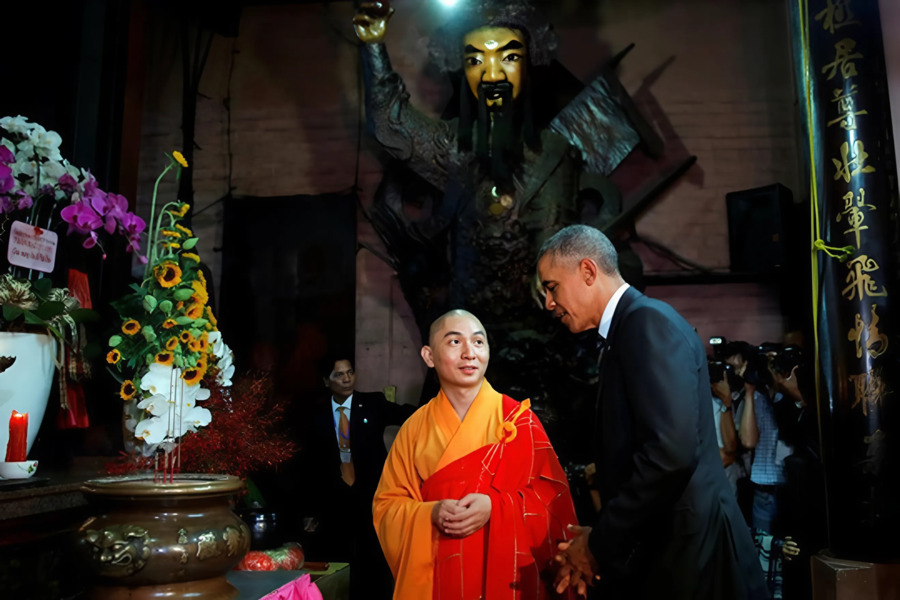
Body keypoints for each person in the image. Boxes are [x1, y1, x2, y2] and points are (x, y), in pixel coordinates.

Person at [353, 0, 631, 442]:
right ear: (460, 70)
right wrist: (372, 43)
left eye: (508, 56)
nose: (493, 72)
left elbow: (562, 246)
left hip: (545, 358)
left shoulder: (557, 155)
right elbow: (392, 125)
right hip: (472, 356)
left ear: (530, 64)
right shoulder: (452, 152)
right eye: (476, 59)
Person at [536, 224, 768, 599]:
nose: (548, 303)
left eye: (551, 287)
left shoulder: (646, 324)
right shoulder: (627, 330)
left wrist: (601, 541)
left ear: (588, 272)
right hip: (671, 545)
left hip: (692, 553)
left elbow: (669, 453)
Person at [372, 309, 579, 599]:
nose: (470, 353)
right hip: (439, 579)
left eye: (478, 342)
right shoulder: (413, 430)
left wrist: (496, 508)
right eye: (455, 342)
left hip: (510, 581)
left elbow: (553, 503)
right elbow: (387, 507)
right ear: (429, 356)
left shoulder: (519, 421)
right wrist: (430, 512)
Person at [301, 355, 415, 600]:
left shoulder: (372, 403)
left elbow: (409, 416)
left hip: (371, 490)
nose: (346, 379)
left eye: (350, 372)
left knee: (374, 554)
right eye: (339, 375)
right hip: (335, 492)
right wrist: (310, 510)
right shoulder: (316, 415)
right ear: (326, 381)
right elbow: (309, 464)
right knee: (339, 554)